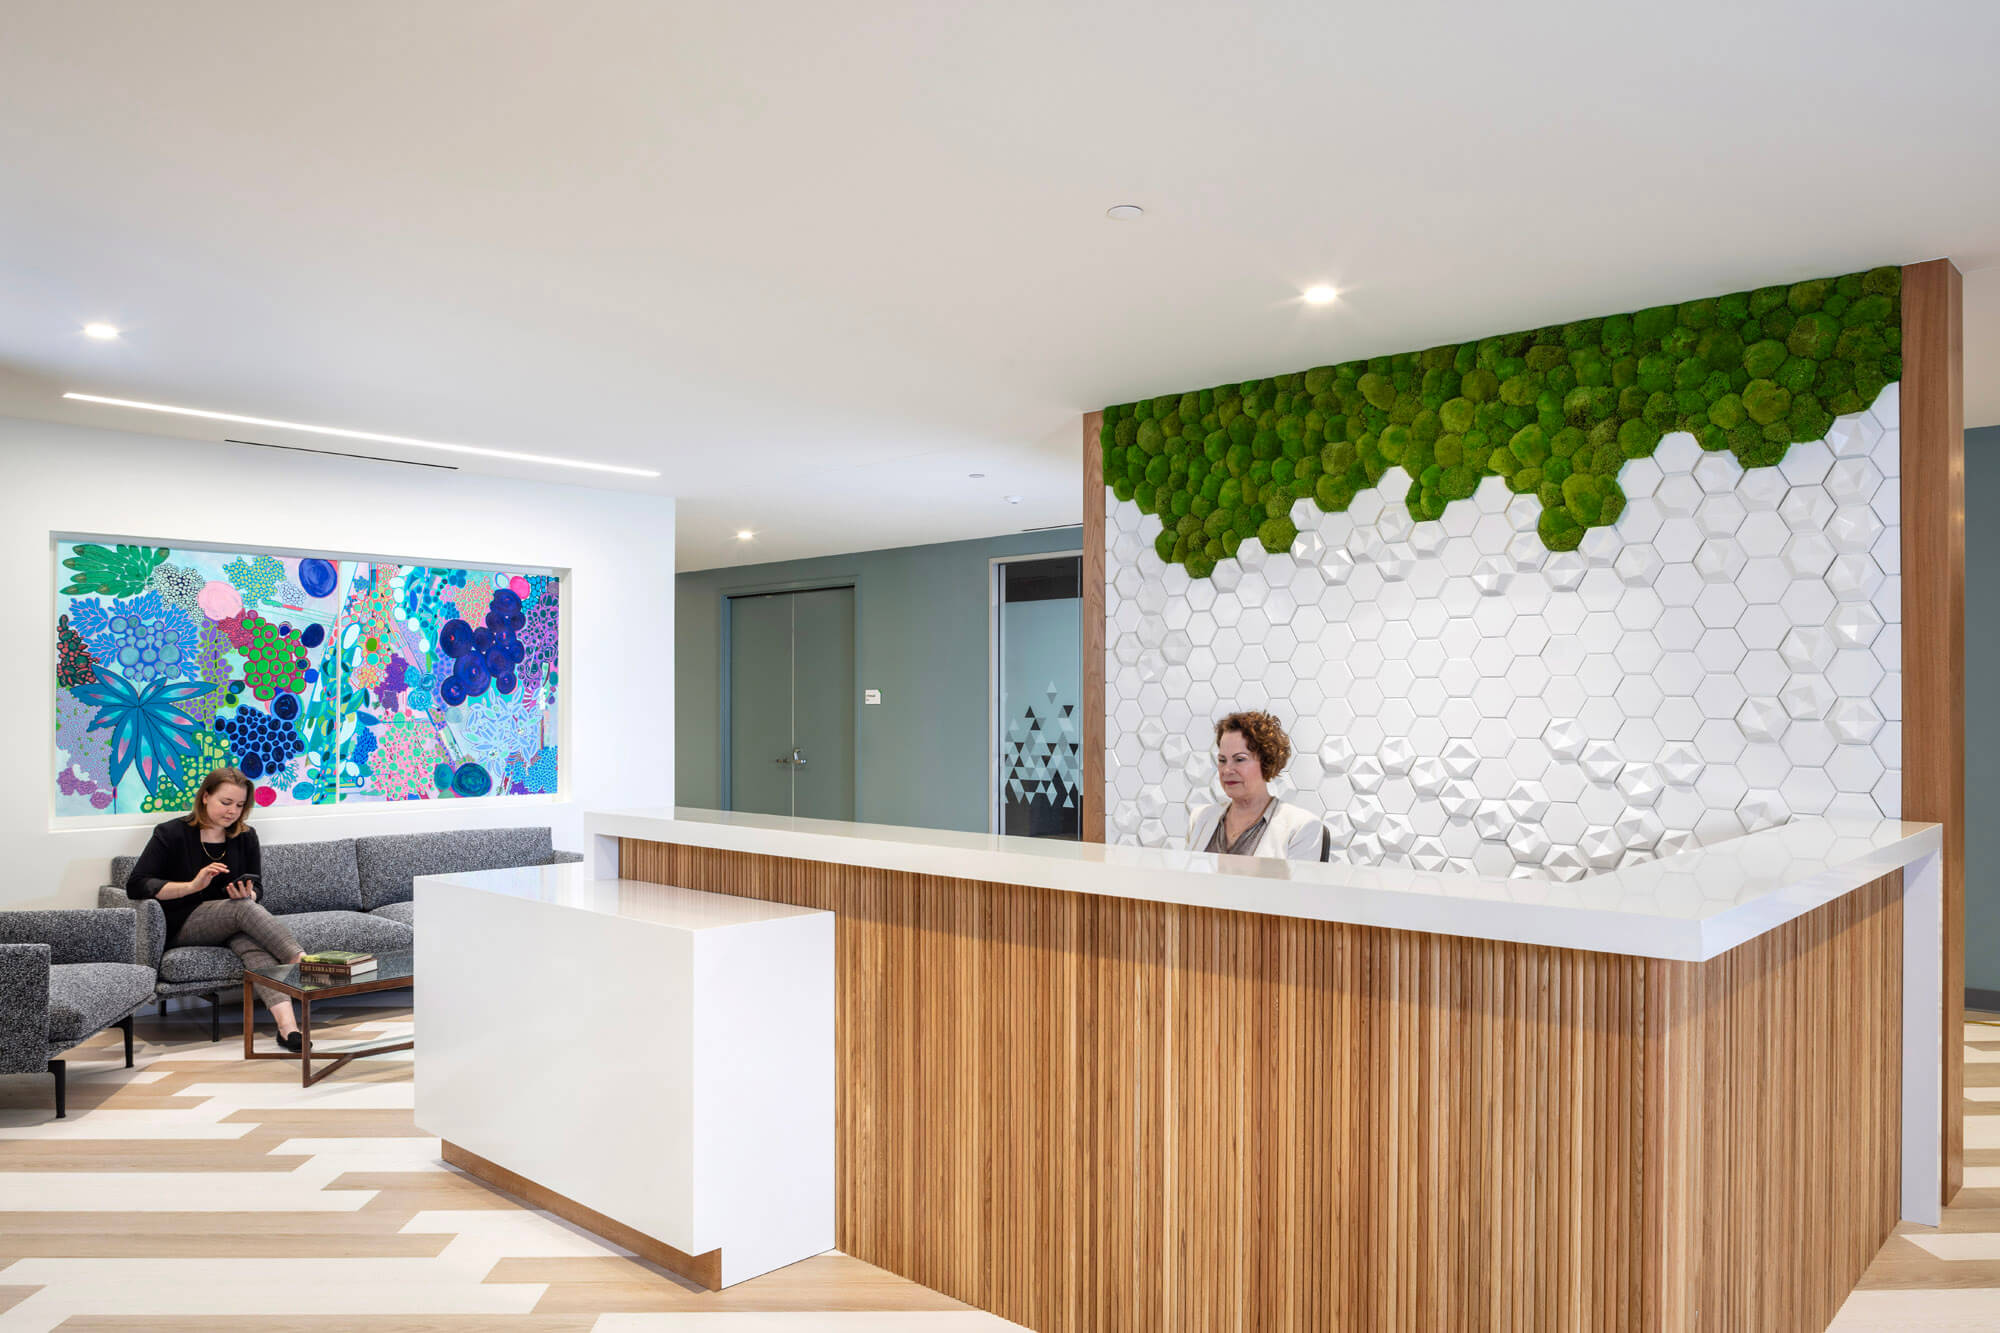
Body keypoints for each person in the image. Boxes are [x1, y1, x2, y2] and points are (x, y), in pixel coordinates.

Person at [126, 768, 309, 1050]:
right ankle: (303, 962)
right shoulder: (170, 833)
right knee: (242, 910)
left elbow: (257, 887)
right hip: (184, 922)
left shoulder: (246, 836)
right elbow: (136, 885)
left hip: (232, 921)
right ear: (205, 797)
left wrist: (250, 893)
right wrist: (192, 886)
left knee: (253, 947)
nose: (232, 811)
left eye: (239, 805)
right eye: (226, 803)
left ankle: (288, 1029)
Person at [1186, 710, 1331, 860]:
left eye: (1240, 759)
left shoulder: (1302, 827)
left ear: (1266, 762)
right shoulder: (1200, 818)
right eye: (1222, 760)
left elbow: (1298, 884)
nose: (1227, 770)